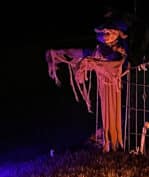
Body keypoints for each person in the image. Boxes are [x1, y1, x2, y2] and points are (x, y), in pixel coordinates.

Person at [45, 17, 129, 152]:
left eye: (108, 33)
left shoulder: (120, 51)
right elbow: (82, 53)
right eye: (102, 33)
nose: (105, 36)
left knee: (119, 114)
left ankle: (115, 140)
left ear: (118, 34)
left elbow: (115, 64)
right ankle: (104, 138)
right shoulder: (99, 50)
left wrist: (94, 63)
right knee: (103, 113)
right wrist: (61, 52)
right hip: (103, 88)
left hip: (119, 89)